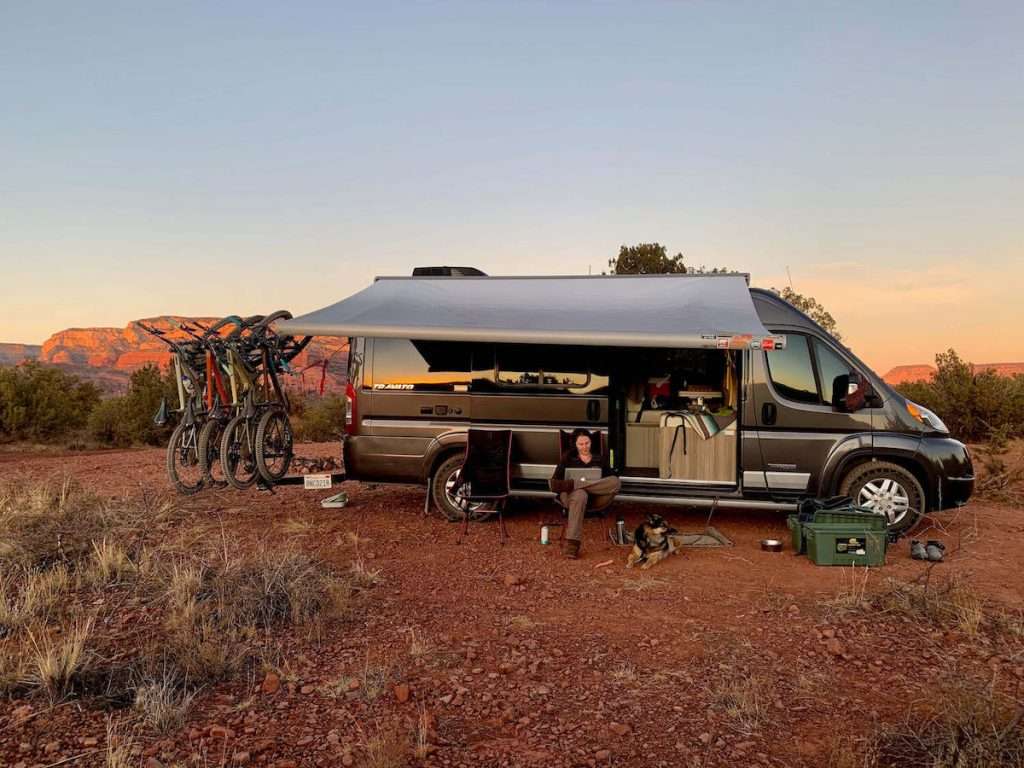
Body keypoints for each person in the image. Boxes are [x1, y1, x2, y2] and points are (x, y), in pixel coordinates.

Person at [549, 429, 621, 559]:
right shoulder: (568, 458)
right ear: (575, 445)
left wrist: (579, 484)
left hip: (595, 498)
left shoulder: (600, 459)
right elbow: (555, 482)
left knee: (615, 482)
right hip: (571, 497)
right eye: (580, 444)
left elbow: (610, 481)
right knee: (580, 494)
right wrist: (575, 488)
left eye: (587, 443)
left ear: (591, 442)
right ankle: (572, 545)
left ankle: (575, 484)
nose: (584, 447)